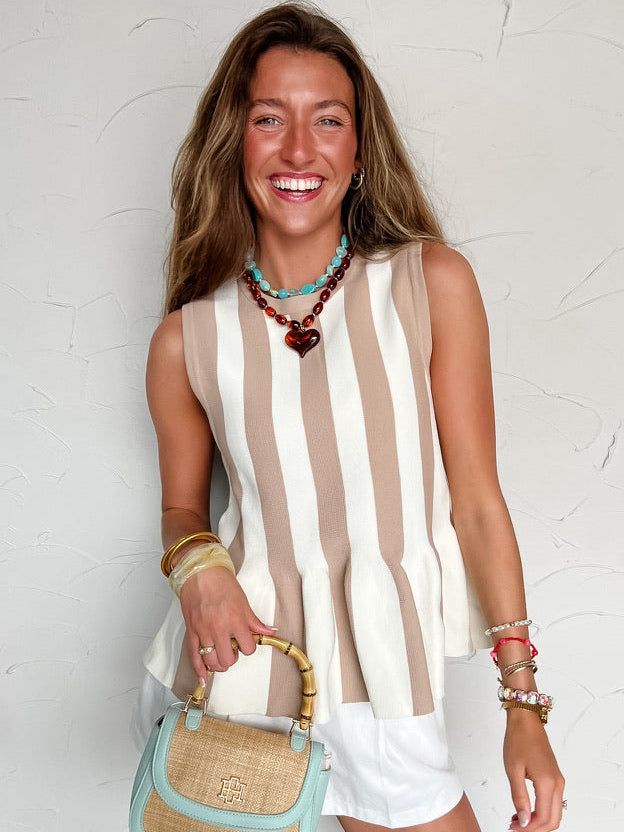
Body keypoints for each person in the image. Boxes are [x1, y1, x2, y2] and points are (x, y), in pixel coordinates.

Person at [140, 3, 565, 830]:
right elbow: (183, 510)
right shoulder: (185, 339)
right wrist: (200, 576)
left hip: (383, 679)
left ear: (359, 148)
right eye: (270, 118)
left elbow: (478, 504)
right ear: (237, 142)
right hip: (238, 672)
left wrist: (524, 705)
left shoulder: (429, 285)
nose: (299, 149)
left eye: (327, 119)